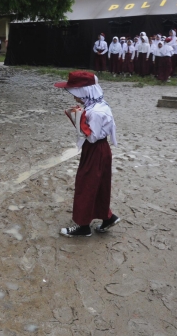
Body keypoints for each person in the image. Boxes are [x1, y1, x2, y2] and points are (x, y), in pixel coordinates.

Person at [53, 71, 120, 237]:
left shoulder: (95, 112)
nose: (75, 98)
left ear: (84, 92)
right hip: (101, 150)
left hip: (95, 150)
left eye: (76, 94)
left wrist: (77, 120)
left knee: (86, 185)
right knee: (100, 185)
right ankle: (107, 217)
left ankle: (83, 226)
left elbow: (92, 137)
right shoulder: (99, 105)